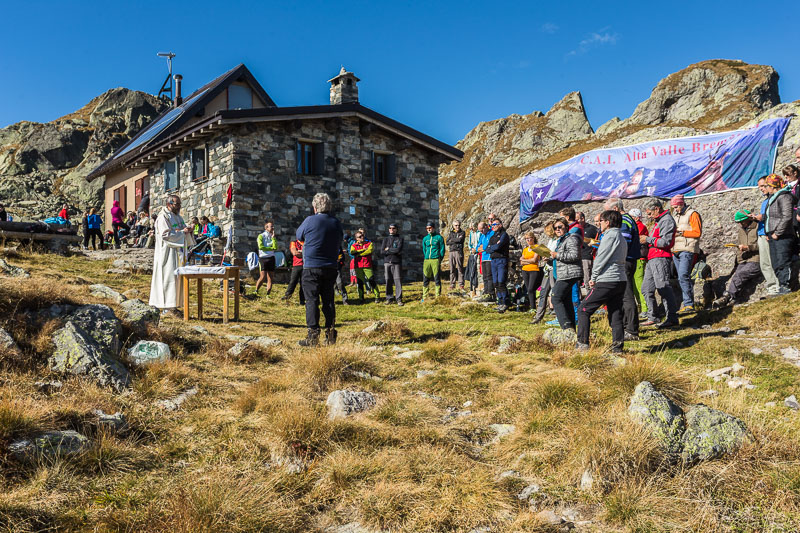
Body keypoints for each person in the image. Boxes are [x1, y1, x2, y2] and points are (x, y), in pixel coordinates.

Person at [296, 192, 344, 347]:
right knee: (328, 300)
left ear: (315, 207)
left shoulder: (310, 220)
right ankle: (330, 334)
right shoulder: (336, 223)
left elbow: (299, 236)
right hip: (330, 266)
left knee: (312, 300)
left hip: (311, 266)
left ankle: (313, 335)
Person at [577, 210, 628, 352]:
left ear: (608, 222)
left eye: (601, 221)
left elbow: (601, 258)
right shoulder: (621, 236)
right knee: (615, 312)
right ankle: (617, 347)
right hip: (620, 279)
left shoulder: (609, 236)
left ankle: (582, 344)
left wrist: (593, 277)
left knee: (583, 309)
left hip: (607, 279)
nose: (599, 224)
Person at [149, 195, 194, 314]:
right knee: (167, 277)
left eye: (179, 204)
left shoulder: (177, 217)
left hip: (177, 252)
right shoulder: (163, 217)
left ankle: (174, 305)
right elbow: (165, 235)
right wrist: (182, 232)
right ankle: (166, 306)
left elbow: (182, 229)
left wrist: (188, 230)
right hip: (167, 253)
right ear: (169, 204)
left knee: (176, 279)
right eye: (177, 204)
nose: (179, 206)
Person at [603, 198, 641, 341]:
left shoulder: (624, 221)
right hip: (627, 260)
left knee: (626, 294)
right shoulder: (627, 220)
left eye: (608, 212)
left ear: (616, 209)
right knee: (622, 294)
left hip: (625, 261)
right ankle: (625, 326)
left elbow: (621, 242)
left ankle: (631, 329)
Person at [640, 200, 679, 328]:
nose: (649, 216)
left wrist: (647, 239)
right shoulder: (659, 221)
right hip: (652, 258)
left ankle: (672, 317)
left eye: (650, 213)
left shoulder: (666, 220)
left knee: (663, 287)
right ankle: (653, 316)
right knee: (646, 288)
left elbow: (665, 242)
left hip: (661, 257)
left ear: (657, 209)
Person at [713, 210, 761, 308]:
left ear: (748, 219)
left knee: (740, 275)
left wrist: (748, 248)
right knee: (737, 275)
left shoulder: (758, 227)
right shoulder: (741, 231)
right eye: (738, 222)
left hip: (756, 260)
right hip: (744, 260)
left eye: (741, 221)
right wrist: (739, 262)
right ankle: (734, 300)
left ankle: (727, 297)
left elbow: (763, 245)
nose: (740, 224)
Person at [670, 194, 702, 313]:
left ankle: (689, 304)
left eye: (677, 207)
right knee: (681, 277)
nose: (675, 209)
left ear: (682, 204)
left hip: (687, 249)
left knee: (683, 275)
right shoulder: (675, 215)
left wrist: (682, 233)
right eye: (674, 207)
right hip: (675, 250)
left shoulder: (692, 214)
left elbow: (697, 232)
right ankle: (687, 303)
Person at [764, 174, 796, 295]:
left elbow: (787, 216)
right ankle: (782, 286)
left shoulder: (784, 196)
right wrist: (768, 232)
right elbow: (770, 217)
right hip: (772, 234)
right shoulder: (772, 198)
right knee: (776, 262)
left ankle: (786, 286)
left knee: (783, 260)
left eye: (767, 185)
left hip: (783, 235)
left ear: (773, 186)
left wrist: (777, 233)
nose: (766, 188)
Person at [549, 217, 582, 330]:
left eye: (560, 227)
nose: (557, 229)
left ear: (566, 227)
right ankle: (571, 328)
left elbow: (575, 255)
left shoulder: (571, 238)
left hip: (569, 273)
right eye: (555, 228)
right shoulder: (561, 240)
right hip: (563, 273)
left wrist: (557, 255)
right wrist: (550, 259)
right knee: (566, 301)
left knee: (555, 297)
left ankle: (566, 326)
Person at [752, 177, 781, 295]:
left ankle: (778, 286)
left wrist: (762, 217)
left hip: (769, 233)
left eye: (763, 186)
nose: (761, 189)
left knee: (773, 261)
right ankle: (772, 287)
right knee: (764, 263)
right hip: (761, 233)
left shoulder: (775, 199)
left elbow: (774, 215)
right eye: (759, 186)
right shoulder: (765, 201)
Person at [532, 221, 557, 324]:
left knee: (555, 292)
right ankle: (538, 316)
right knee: (543, 292)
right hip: (547, 268)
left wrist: (549, 257)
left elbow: (555, 254)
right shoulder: (551, 240)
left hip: (554, 268)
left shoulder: (558, 241)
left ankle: (558, 315)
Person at [484, 218, 511, 312]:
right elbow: (487, 249)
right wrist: (494, 247)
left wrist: (493, 247)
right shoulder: (492, 236)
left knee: (501, 281)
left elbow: (498, 246)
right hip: (493, 260)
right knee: (495, 282)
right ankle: (500, 302)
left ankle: (505, 302)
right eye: (492, 225)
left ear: (500, 225)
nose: (493, 226)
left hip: (501, 260)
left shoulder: (504, 235)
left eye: (495, 224)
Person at [350, 231, 381, 303]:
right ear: (356, 238)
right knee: (360, 282)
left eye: (362, 235)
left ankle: (377, 296)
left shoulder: (369, 243)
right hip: (358, 266)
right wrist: (363, 250)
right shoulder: (353, 245)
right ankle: (361, 298)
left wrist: (358, 254)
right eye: (360, 236)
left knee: (371, 280)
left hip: (367, 265)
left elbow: (369, 251)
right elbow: (352, 252)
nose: (362, 237)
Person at [629, 208, 649, 315]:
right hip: (635, 257)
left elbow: (635, 238)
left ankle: (645, 308)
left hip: (640, 257)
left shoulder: (640, 226)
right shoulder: (635, 225)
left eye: (631, 217)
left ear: (636, 218)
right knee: (634, 284)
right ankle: (641, 307)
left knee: (639, 284)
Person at [421, 222, 446, 302]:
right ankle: (425, 296)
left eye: (430, 228)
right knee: (425, 278)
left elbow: (442, 249)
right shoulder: (425, 239)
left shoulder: (439, 237)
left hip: (435, 259)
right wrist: (426, 256)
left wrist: (439, 258)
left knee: (436, 278)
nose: (428, 229)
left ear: (433, 228)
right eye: (427, 228)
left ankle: (438, 296)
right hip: (427, 260)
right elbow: (424, 249)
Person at [519, 231, 543, 314]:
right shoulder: (525, 249)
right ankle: (532, 307)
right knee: (528, 289)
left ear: (533, 238)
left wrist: (525, 260)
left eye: (530, 238)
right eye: (526, 238)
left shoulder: (537, 247)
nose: (528, 240)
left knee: (531, 288)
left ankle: (534, 307)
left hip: (534, 270)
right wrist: (528, 261)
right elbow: (521, 262)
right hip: (525, 270)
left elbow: (535, 260)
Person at [381, 223, 404, 305]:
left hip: (396, 262)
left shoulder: (400, 239)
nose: (391, 229)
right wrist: (392, 250)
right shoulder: (385, 239)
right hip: (387, 262)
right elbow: (382, 251)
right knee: (388, 280)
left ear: (396, 229)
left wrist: (388, 249)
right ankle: (389, 298)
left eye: (393, 228)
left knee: (398, 281)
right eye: (390, 228)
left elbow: (398, 250)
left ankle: (399, 299)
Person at [255, 222, 277, 295]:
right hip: (263, 258)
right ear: (266, 228)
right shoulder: (261, 236)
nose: (273, 228)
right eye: (271, 226)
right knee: (263, 276)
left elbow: (275, 247)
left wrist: (273, 238)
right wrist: (271, 248)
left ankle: (268, 294)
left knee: (270, 277)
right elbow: (261, 247)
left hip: (271, 258)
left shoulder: (272, 236)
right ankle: (256, 290)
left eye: (273, 226)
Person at [578, 212, 598, 291]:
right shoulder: (576, 229)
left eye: (577, 219)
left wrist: (592, 243)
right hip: (578, 257)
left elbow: (599, 241)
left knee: (588, 279)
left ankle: (589, 295)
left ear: (582, 219)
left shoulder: (592, 229)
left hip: (587, 257)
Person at [282, 239, 305, 304]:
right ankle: (287, 296)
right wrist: (304, 253)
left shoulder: (307, 242)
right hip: (296, 265)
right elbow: (295, 253)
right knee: (293, 282)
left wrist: (300, 252)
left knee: (303, 284)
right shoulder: (294, 243)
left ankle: (302, 300)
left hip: (305, 266)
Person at [477, 221, 494, 301]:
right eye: (480, 231)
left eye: (482, 230)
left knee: (489, 276)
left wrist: (483, 248)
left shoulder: (491, 233)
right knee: (485, 276)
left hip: (489, 258)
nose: (481, 232)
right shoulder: (482, 235)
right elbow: (478, 247)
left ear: (486, 227)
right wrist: (481, 248)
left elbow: (487, 246)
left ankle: (490, 293)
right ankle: (486, 292)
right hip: (483, 258)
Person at [446, 220, 466, 291]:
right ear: (453, 226)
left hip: (458, 252)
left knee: (460, 268)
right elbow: (447, 242)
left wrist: (452, 240)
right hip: (451, 252)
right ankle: (452, 284)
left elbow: (460, 240)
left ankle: (461, 284)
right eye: (456, 225)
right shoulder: (451, 233)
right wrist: (455, 240)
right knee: (452, 268)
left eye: (458, 225)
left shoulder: (462, 232)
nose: (457, 227)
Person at [466, 223, 481, 296]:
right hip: (472, 253)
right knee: (472, 271)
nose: (471, 229)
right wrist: (471, 249)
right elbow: (469, 243)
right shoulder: (471, 233)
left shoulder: (479, 233)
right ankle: (472, 288)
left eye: (472, 227)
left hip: (478, 253)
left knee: (477, 271)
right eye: (470, 228)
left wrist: (477, 249)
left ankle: (477, 287)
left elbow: (480, 242)